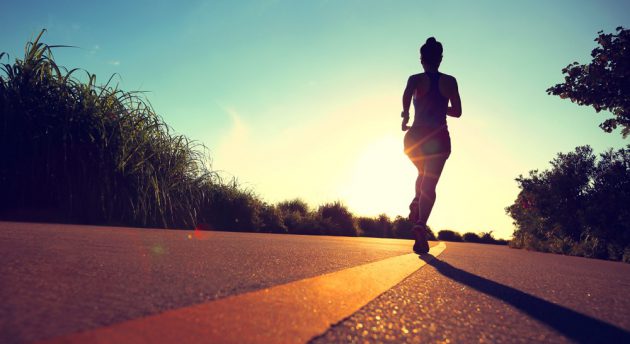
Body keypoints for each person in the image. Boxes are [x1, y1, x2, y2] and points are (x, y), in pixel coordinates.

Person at [401, 37, 462, 254]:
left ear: (421, 59)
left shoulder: (415, 79)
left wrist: (405, 115)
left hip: (415, 137)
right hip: (438, 138)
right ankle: (420, 224)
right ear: (441, 59)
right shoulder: (450, 81)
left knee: (421, 173)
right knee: (430, 182)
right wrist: (439, 106)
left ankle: (417, 201)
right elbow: (457, 112)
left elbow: (407, 95)